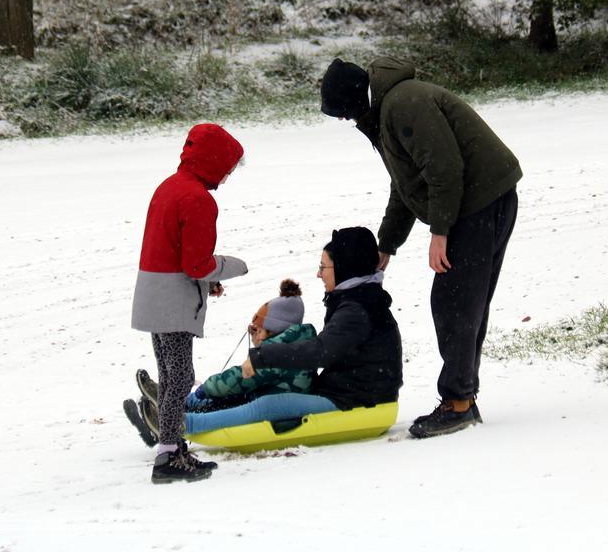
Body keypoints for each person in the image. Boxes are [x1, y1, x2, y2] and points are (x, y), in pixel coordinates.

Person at [319, 56, 521, 439]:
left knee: (456, 301)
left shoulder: (403, 103)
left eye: (343, 113)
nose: (345, 121)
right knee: (463, 300)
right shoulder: (386, 110)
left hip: (479, 202)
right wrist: (388, 242)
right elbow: (406, 183)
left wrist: (440, 231)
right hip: (476, 200)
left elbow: (444, 169)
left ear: (353, 99)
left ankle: (458, 403)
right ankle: (463, 396)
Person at [134, 227, 402, 440]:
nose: (318, 274)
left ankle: (181, 424)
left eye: (324, 267)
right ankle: (179, 408)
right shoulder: (355, 298)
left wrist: (263, 356)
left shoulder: (357, 307)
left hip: (359, 398)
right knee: (258, 394)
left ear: (344, 268)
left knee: (269, 406)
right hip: (343, 389)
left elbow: (321, 351)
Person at [128, 122, 249, 484]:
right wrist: (230, 268)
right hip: (173, 302)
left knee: (169, 375)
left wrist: (206, 279)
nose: (226, 179)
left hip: (152, 293)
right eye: (226, 170)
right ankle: (167, 456)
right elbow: (196, 263)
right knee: (181, 377)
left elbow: (174, 250)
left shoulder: (168, 187)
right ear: (213, 162)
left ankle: (173, 448)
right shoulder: (198, 199)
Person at [128, 280, 316, 441]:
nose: (252, 336)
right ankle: (173, 407)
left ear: (274, 330)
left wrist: (208, 388)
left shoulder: (279, 351)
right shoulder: (289, 343)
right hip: (260, 394)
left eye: (256, 330)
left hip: (271, 406)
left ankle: (174, 421)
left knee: (223, 401)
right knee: (224, 399)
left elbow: (239, 378)